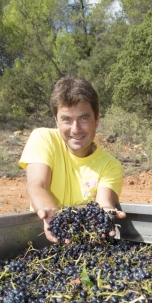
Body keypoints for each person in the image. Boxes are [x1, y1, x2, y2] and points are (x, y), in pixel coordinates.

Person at [19, 75, 125, 243]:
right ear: (56, 121)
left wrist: (105, 214)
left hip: (86, 243)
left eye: (84, 118)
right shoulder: (43, 139)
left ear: (96, 119)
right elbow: (38, 185)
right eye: (66, 119)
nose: (76, 129)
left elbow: (103, 204)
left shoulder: (110, 165)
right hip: (43, 235)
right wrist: (51, 216)